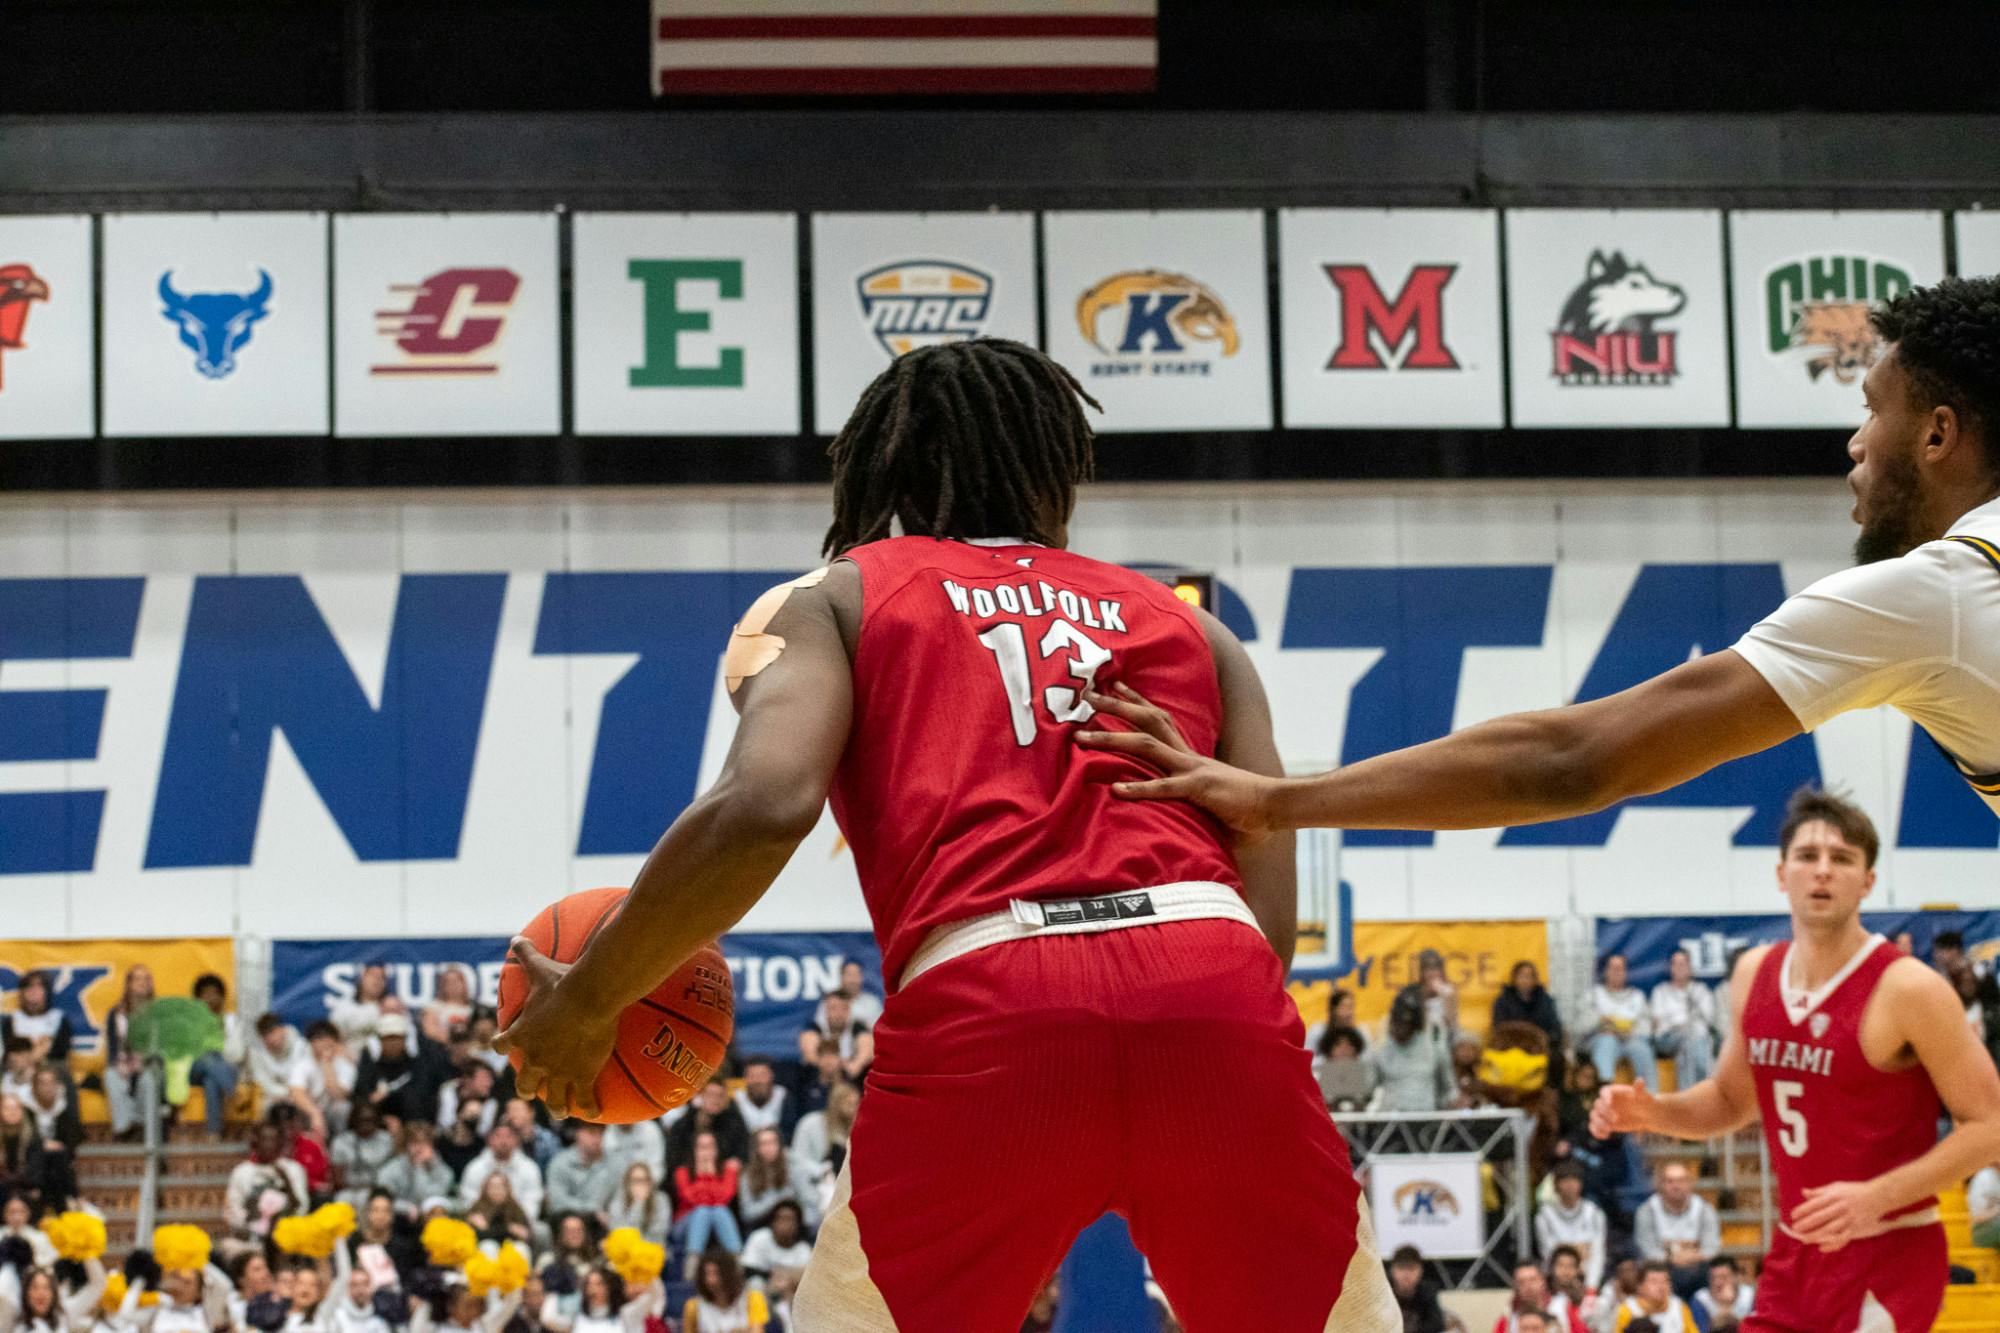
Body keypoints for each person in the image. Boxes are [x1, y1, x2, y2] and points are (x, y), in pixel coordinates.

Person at [497, 339, 1394, 1333]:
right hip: (1213, 986)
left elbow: (764, 805)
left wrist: (593, 995)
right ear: (1058, 468)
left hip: (990, 1000)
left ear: (886, 470)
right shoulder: (1197, 631)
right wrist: (1181, 1038)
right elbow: (1267, 902)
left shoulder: (831, 598)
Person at [1085, 276, 2000, 864]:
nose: (1854, 441)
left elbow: (1573, 762)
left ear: (1937, 434)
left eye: (1871, 408)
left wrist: (1274, 801)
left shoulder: (1937, 592)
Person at [1591, 790, 2000, 1332]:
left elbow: (1991, 1125)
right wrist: (1654, 1112)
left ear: (1868, 881)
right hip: (1794, 1253)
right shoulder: (1753, 973)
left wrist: (1879, 1196)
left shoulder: (1908, 988)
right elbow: (1731, 1101)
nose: (1823, 870)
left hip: (1888, 1250)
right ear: (1782, 875)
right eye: (1808, 856)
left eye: (1842, 858)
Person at [1632, 1163, 1718, 1301]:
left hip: (1697, 1271)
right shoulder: (1647, 1210)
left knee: (1713, 1272)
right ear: (1661, 1185)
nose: (1676, 1186)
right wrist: (1673, 1259)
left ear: (1689, 1184)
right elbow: (1647, 1248)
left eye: (1681, 1181)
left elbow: (1711, 1249)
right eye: (1670, 1181)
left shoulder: (1704, 1210)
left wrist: (1686, 1258)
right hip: (1661, 1270)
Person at [1372, 988, 1456, 1113]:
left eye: (1405, 1023)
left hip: (1424, 1117)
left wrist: (1452, 1101)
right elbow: (1369, 1088)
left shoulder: (1434, 1049)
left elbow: (1449, 1089)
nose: (1398, 1027)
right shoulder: (1382, 1051)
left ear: (1415, 1024)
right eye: (1395, 1021)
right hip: (1390, 1117)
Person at [225, 1123, 310, 1246]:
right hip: (251, 1235)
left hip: (286, 1235)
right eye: (264, 1139)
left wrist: (286, 1180)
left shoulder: (293, 1169)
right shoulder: (241, 1171)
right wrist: (255, 1228)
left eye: (272, 1140)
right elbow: (234, 1208)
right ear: (255, 1143)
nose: (268, 1145)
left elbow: (301, 1207)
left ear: (280, 1144)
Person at [102, 965, 156, 1141]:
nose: (142, 983)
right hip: (123, 1062)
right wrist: (119, 1064)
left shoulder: (158, 1012)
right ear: (129, 984)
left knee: (148, 1078)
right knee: (111, 1075)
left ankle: (144, 1129)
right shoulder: (116, 1013)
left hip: (150, 1064)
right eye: (137, 979)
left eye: (146, 979)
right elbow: (112, 1047)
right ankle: (123, 1130)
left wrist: (142, 1061)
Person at [674, 1132, 742, 1271]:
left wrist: (710, 1176)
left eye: (710, 1147)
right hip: (685, 1223)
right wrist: (703, 1176)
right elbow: (691, 1199)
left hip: (718, 1217)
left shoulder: (728, 1170)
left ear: (716, 1150)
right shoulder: (682, 1172)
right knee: (703, 1210)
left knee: (719, 1210)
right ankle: (692, 1263)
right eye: (702, 1147)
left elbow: (724, 1198)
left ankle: (737, 1261)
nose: (706, 1153)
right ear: (694, 1150)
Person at [1650, 953, 1718, 1092]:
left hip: (1698, 1038)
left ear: (1690, 968)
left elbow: (1709, 1019)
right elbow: (1657, 1022)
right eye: (1676, 964)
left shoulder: (1701, 990)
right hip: (1667, 1039)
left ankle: (1693, 1094)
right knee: (1688, 1038)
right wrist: (1680, 1025)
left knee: (1691, 1046)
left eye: (1683, 964)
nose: (1679, 968)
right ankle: (1694, 1094)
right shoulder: (1661, 991)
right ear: (1671, 968)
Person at [1537, 1162, 1607, 1294]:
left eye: (1574, 1180)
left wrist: (1591, 1287)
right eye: (1565, 1180)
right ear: (1556, 1184)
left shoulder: (1594, 1213)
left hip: (1587, 1280)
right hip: (1555, 1284)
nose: (1570, 1185)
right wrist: (1580, 1250)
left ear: (1581, 1184)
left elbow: (1597, 1253)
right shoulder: (1545, 1215)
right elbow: (1549, 1254)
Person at [1588, 958, 1656, 1094]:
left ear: (1626, 973)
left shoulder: (1637, 996)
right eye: (1613, 968)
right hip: (1604, 1037)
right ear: (1605, 972)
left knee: (1642, 1049)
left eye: (1620, 969)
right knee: (1607, 1043)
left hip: (1631, 1038)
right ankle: (1603, 1093)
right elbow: (1582, 1024)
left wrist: (1630, 1031)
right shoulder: (1594, 994)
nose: (1617, 972)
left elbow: (1647, 1026)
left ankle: (1649, 1096)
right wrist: (1601, 1024)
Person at [187, 974, 244, 1136]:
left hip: (222, 1068)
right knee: (208, 1058)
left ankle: (213, 1133)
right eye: (205, 994)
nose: (210, 998)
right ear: (197, 999)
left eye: (214, 994)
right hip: (194, 1070)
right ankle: (233, 1093)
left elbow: (238, 1055)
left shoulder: (231, 1021)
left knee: (211, 1081)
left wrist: (223, 1034)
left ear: (222, 998)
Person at [736, 1127, 817, 1232]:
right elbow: (747, 1213)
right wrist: (778, 1201)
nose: (769, 1147)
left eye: (772, 1142)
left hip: (797, 1227)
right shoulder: (747, 1175)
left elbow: (810, 1201)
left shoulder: (793, 1168)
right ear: (756, 1148)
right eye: (764, 1143)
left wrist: (800, 1223)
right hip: (764, 1227)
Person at [664, 1081, 749, 1180]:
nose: (714, 1100)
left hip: (724, 1177)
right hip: (689, 1177)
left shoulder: (734, 1122)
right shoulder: (684, 1123)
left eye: (719, 1096)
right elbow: (673, 1156)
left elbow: (742, 1153)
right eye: (710, 1094)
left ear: (726, 1100)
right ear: (700, 1096)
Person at [459, 1124, 544, 1219]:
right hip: (481, 1221)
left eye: (509, 1136)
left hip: (518, 1221)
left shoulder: (529, 1168)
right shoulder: (475, 1168)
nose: (503, 1141)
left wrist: (518, 1221)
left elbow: (532, 1201)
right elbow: (468, 1199)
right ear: (489, 1140)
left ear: (517, 1140)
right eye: (498, 1136)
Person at [739, 1200, 811, 1312]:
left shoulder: (803, 1249)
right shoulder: (759, 1238)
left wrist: (785, 1280)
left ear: (798, 1225)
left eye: (790, 1219)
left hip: (789, 1295)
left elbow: (807, 1279)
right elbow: (746, 1268)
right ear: (773, 1222)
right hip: (764, 1290)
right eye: (781, 1218)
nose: (785, 1224)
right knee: (755, 1283)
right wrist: (770, 1275)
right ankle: (758, 1320)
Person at [375, 1121, 453, 1219]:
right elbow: (382, 1197)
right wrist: (405, 1207)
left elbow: (435, 1196)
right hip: (399, 1217)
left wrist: (421, 1167)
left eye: (425, 1143)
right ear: (406, 1145)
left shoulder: (439, 1167)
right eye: (415, 1143)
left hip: (428, 1217)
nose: (420, 1148)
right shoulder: (393, 1168)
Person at [1494, 962, 1565, 1066]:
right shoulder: (1503, 1001)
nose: (1525, 980)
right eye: (1522, 976)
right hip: (1511, 1048)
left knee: (1557, 1059)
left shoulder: (1546, 1001)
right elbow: (1499, 1028)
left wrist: (1545, 1040)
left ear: (1535, 979)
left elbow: (1555, 1028)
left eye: (1529, 976)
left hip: (1540, 1048)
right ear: (1514, 979)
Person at [328, 1103, 395, 1210]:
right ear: (354, 1120)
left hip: (380, 1190)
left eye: (371, 1120)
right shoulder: (341, 1142)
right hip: (350, 1190)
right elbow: (338, 1181)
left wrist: (377, 1189)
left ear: (377, 1121)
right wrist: (363, 1189)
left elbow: (392, 1171)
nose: (367, 1124)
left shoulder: (386, 1140)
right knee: (343, 1200)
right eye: (362, 1120)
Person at [1, 976, 71, 1077]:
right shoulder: (12, 1019)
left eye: (39, 987)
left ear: (46, 992)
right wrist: (35, 1051)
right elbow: (9, 1050)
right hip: (18, 1071)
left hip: (51, 1072)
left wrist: (39, 1052)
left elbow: (61, 1052)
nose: (34, 991)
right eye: (29, 987)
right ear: (22, 992)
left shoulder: (58, 1018)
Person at [680, 1253, 767, 1333]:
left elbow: (757, 1330)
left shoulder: (753, 1299)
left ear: (729, 1275)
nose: (710, 1280)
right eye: (706, 1274)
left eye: (716, 1274)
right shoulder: (693, 1306)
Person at [544, 1124, 613, 1224]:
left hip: (602, 1223)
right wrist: (592, 1210)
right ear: (578, 1133)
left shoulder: (613, 1163)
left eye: (601, 1133)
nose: (597, 1139)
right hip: (566, 1221)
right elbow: (557, 1202)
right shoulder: (560, 1162)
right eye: (592, 1133)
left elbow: (619, 1199)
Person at [796, 995, 871, 1086]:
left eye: (843, 1008)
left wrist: (856, 1064)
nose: (839, 1014)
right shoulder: (815, 1027)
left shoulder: (858, 1027)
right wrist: (830, 1064)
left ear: (849, 1011)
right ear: (825, 1010)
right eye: (833, 1008)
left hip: (850, 1077)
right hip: (820, 1077)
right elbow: (810, 1053)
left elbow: (867, 1048)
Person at [1387, 1246, 1462, 1333]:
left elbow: (1435, 1324)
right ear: (1392, 1270)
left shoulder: (1427, 1291)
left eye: (1411, 1268)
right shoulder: (1383, 1292)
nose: (1406, 1274)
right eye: (1401, 1268)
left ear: (1420, 1270)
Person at [1612, 1263, 1696, 1333]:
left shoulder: (1679, 1307)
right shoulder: (1627, 1310)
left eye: (1665, 1281)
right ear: (1640, 1286)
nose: (1661, 1287)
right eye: (1654, 1282)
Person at [603, 1162, 669, 1247]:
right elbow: (617, 1230)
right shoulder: (618, 1201)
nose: (640, 1185)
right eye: (635, 1180)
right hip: (625, 1248)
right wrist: (637, 1204)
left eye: (644, 1180)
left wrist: (641, 1203)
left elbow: (659, 1232)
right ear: (627, 1183)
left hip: (651, 1248)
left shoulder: (661, 1200)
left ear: (650, 1182)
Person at [465, 1171, 534, 1250]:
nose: (496, 1190)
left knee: (520, 1248)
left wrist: (488, 1229)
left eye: (500, 1186)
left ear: (507, 1189)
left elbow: (526, 1234)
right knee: (488, 1246)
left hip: (510, 1248)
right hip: (484, 1248)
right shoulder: (478, 1208)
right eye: (492, 1187)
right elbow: (473, 1236)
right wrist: (509, 1229)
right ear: (485, 1189)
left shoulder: (515, 1208)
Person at [1689, 1258, 1751, 1332]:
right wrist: (1725, 1306)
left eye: (1723, 1277)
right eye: (1713, 1278)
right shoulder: (1700, 1299)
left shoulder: (1749, 1296)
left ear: (1736, 1277)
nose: (1717, 1282)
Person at [731, 1061, 788, 1138]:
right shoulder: (735, 1100)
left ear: (772, 1076)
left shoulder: (784, 1096)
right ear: (744, 1078)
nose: (757, 1080)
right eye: (752, 1076)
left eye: (762, 1075)